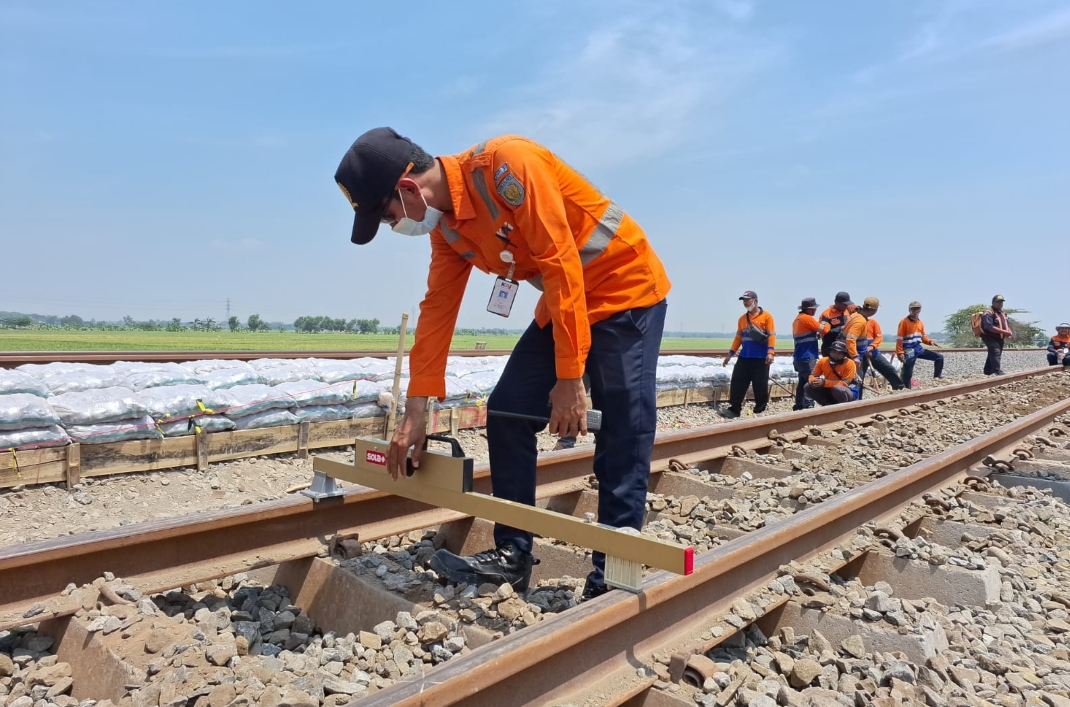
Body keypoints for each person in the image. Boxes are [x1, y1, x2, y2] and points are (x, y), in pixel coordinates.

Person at [334, 128, 671, 599]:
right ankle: (513, 555)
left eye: (389, 217)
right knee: (509, 410)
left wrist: (569, 378)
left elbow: (560, 261)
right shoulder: (448, 228)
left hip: (625, 291)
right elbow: (437, 310)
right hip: (564, 304)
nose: (395, 227)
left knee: (622, 424)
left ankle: (611, 577)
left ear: (408, 188)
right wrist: (416, 409)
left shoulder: (507, 166)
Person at [721, 291, 775, 418]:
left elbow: (772, 336)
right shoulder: (742, 319)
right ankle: (734, 409)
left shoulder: (767, 317)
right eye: (744, 301)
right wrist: (730, 354)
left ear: (755, 301)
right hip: (744, 357)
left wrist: (770, 353)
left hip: (761, 359)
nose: (745, 303)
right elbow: (738, 338)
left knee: (760, 385)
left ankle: (760, 410)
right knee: (737, 382)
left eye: (747, 300)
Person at [844, 297, 904, 392]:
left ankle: (900, 390)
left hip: (871, 352)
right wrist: (855, 356)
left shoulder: (865, 320)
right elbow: (850, 339)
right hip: (859, 356)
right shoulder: (859, 321)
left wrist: (871, 347)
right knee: (858, 380)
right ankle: (857, 399)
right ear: (874, 310)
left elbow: (879, 337)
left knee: (889, 369)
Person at [895, 301, 944, 387]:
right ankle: (906, 387)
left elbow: (923, 336)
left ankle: (937, 378)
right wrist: (900, 352)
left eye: (917, 309)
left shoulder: (920, 323)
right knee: (908, 369)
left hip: (918, 348)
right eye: (913, 309)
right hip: (909, 349)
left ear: (920, 310)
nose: (915, 311)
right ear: (909, 310)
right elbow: (899, 339)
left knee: (939, 357)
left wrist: (929, 341)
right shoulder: (904, 322)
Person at [805, 341, 858, 406]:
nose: (836, 354)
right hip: (829, 389)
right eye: (834, 352)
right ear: (830, 352)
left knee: (838, 389)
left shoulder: (850, 363)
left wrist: (824, 382)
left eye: (839, 353)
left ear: (844, 354)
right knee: (808, 386)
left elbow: (845, 383)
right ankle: (827, 405)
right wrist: (813, 381)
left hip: (848, 390)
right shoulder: (823, 361)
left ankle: (844, 407)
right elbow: (813, 375)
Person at [791, 297, 821, 410]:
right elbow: (824, 329)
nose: (815, 311)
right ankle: (808, 404)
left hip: (800, 357)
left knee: (803, 382)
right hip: (807, 356)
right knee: (812, 380)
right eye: (814, 308)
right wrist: (825, 323)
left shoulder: (797, 320)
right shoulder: (807, 318)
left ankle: (799, 405)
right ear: (809, 309)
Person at [981, 295, 1013, 376]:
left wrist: (1008, 331)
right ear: (993, 303)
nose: (1000, 304)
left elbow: (1005, 324)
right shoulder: (988, 313)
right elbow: (989, 327)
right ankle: (997, 371)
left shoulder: (1002, 313)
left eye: (1001, 302)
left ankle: (987, 370)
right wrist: (1005, 332)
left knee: (994, 353)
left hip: (999, 337)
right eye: (998, 302)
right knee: (995, 352)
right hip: (989, 337)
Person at [818, 292, 854, 356]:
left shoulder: (847, 312)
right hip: (831, 349)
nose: (846, 306)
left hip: (845, 349)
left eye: (847, 304)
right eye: (844, 304)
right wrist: (840, 328)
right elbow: (824, 333)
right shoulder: (826, 314)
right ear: (837, 302)